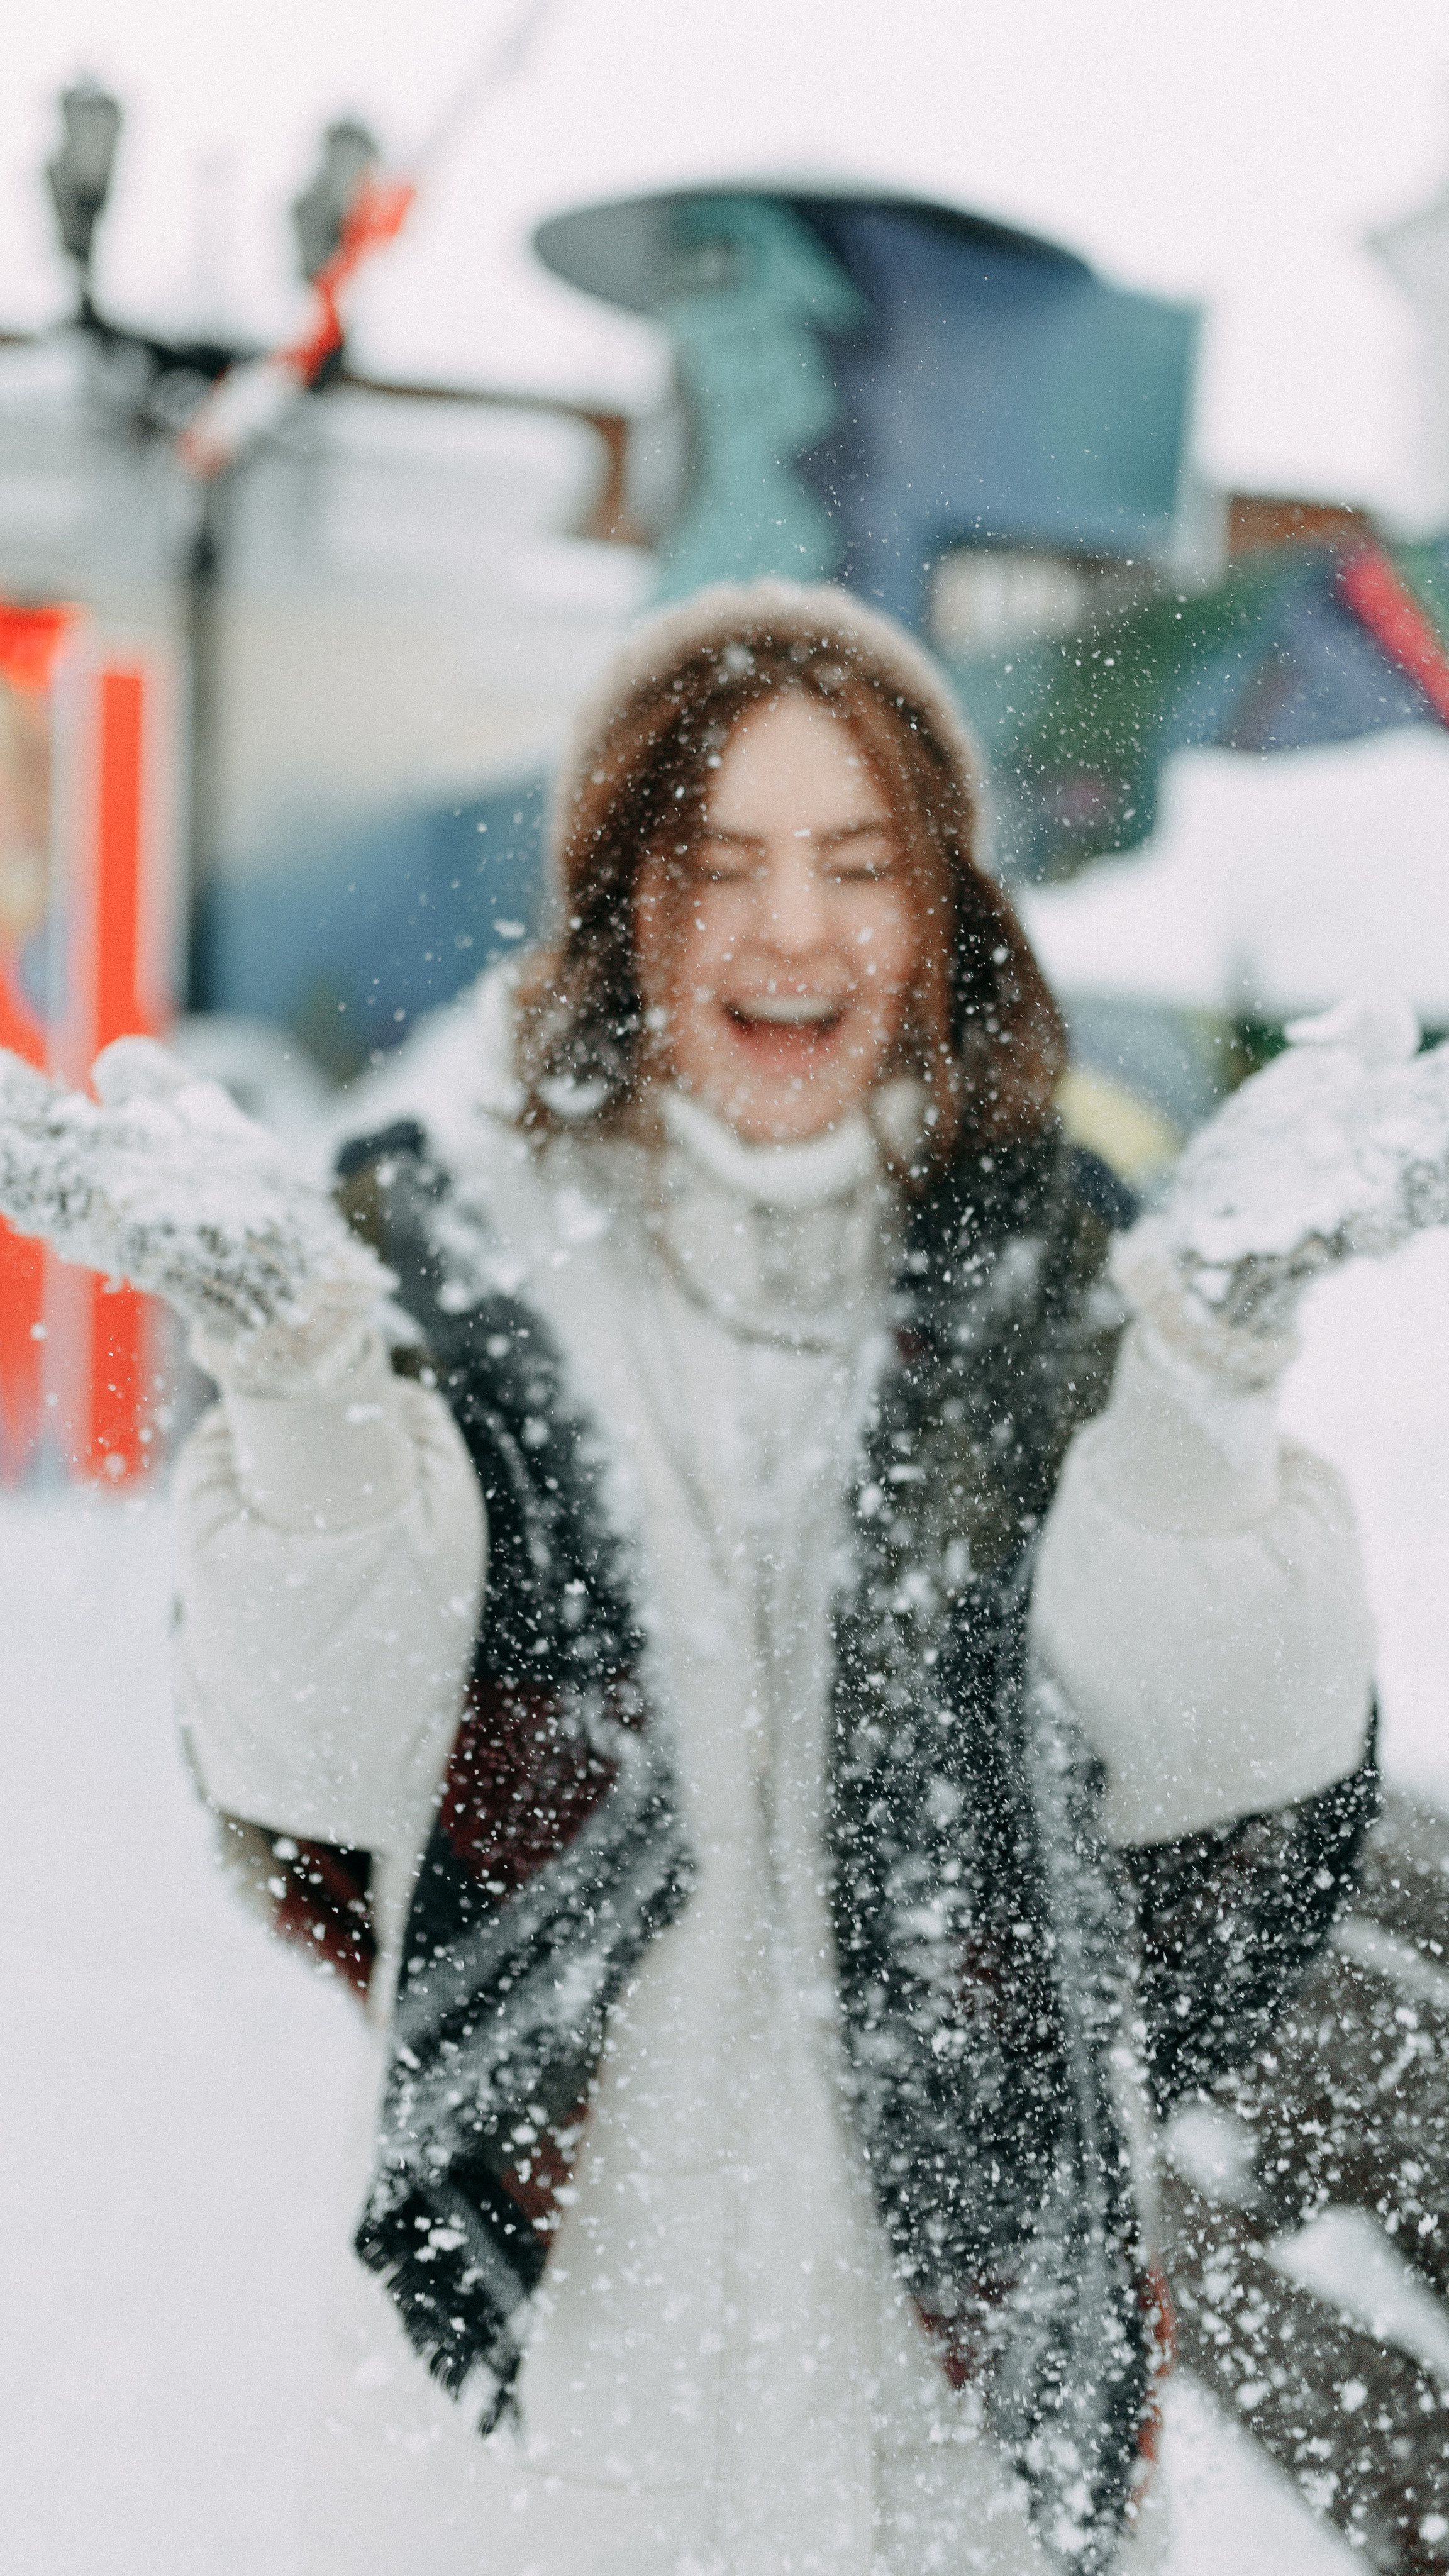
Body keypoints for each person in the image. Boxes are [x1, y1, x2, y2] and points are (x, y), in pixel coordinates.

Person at [4, 579, 1441, 2576]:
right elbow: (326, 1774)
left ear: (941, 911)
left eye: (859, 863)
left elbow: (1206, 1767)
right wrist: (310, 1388)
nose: (792, 929)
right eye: (719, 865)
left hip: (962, 2443)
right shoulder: (455, 1265)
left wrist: (1200, 1381)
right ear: (620, 906)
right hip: (541, 2441)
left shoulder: (1055, 1270)